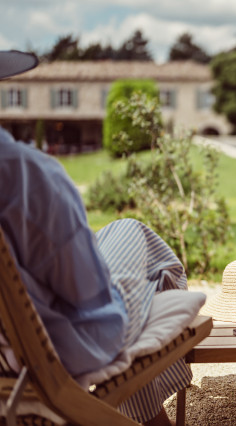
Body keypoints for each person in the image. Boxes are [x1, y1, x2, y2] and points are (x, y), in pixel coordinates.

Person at [0, 50, 191, 425]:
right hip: (53, 350)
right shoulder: (24, 173)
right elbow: (86, 293)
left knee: (122, 238)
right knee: (138, 239)